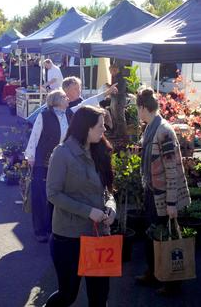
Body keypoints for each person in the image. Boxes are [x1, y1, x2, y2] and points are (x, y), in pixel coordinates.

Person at [45, 106, 116, 307]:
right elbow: (53, 194)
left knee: (99, 298)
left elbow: (108, 190)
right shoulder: (62, 153)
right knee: (67, 295)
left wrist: (111, 207)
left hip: (98, 238)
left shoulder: (99, 150)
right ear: (87, 127)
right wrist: (88, 212)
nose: (104, 130)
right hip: (69, 239)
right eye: (100, 126)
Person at [135, 87, 191, 296]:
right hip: (152, 191)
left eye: (137, 109)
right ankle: (154, 272)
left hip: (163, 195)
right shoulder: (151, 128)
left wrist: (171, 203)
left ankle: (172, 282)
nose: (137, 113)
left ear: (143, 108)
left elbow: (172, 168)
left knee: (166, 238)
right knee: (152, 235)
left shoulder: (163, 130)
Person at [25, 90, 72, 242]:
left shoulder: (69, 113)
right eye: (65, 97)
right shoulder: (44, 115)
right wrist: (30, 157)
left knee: (56, 195)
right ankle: (40, 230)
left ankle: (53, 228)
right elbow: (35, 136)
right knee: (40, 196)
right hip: (42, 162)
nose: (68, 99)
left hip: (61, 161)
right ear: (57, 100)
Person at [109, 64, 128, 137]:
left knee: (119, 117)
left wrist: (111, 89)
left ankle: (121, 134)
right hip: (116, 99)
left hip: (119, 100)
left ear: (115, 70)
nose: (111, 73)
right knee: (115, 117)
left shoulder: (121, 78)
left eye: (111, 71)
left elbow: (121, 90)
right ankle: (117, 133)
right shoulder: (116, 77)